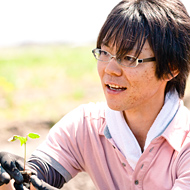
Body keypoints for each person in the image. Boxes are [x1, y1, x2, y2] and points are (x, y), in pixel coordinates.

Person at [1, 0, 190, 189]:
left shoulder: (185, 142)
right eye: (104, 52)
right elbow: (37, 175)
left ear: (171, 68)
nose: (110, 69)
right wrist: (11, 175)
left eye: (129, 58)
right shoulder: (85, 125)